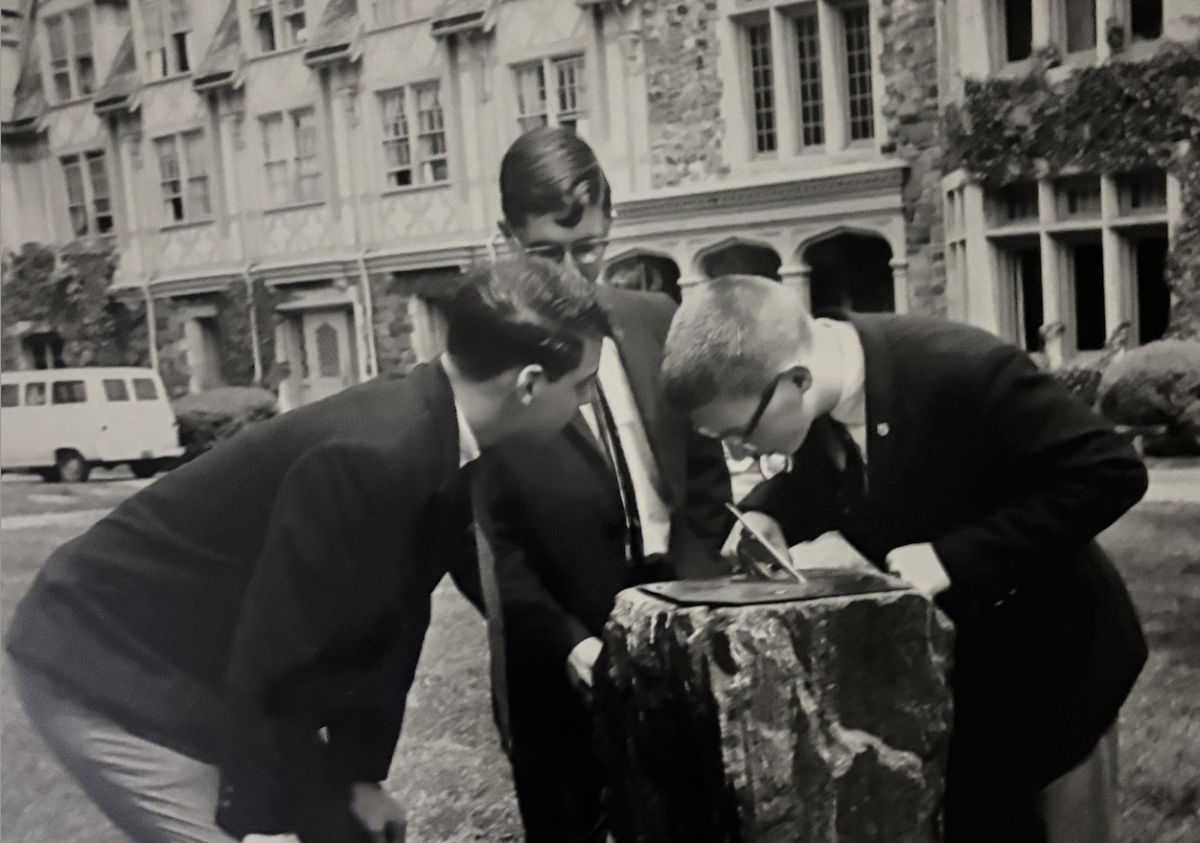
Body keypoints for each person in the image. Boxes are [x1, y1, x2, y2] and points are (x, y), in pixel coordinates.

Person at [5, 256, 612, 843]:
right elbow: (277, 655)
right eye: (582, 385)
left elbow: (392, 625)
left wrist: (359, 777)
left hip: (210, 674)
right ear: (530, 384)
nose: (586, 403)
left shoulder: (441, 437)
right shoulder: (375, 456)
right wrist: (265, 823)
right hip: (104, 661)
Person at [659, 274, 1149, 843]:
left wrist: (952, 558)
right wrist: (771, 509)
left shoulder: (963, 367)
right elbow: (821, 465)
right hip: (960, 682)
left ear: (797, 380)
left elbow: (1110, 470)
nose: (739, 452)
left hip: (1057, 667)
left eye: (740, 435)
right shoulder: (811, 390)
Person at [467, 127, 733, 843]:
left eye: (587, 247)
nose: (571, 274)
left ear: (612, 224)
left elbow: (705, 481)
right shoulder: (487, 366)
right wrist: (567, 642)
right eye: (545, 253)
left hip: (678, 627)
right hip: (561, 668)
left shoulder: (658, 319)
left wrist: (701, 599)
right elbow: (496, 551)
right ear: (506, 236)